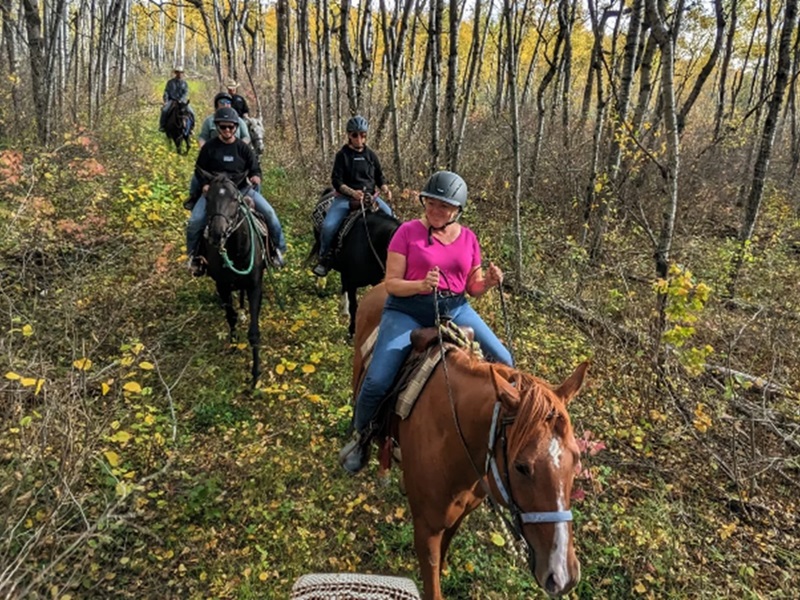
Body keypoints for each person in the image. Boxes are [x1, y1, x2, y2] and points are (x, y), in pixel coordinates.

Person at [339, 170, 514, 474]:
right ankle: (362, 435)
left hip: (455, 308)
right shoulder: (406, 232)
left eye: (443, 207)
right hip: (407, 309)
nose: (435, 211)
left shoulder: (469, 239)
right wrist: (420, 285)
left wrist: (489, 282)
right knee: (378, 379)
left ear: (457, 211)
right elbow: (392, 284)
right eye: (430, 203)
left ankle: (502, 432)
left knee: (505, 359)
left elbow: (471, 286)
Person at [186, 107, 287, 274]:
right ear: (217, 126)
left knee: (269, 214)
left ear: (236, 127)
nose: (227, 130)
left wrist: (255, 176)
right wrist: (204, 184)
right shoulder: (209, 148)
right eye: (223, 126)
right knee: (195, 222)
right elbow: (199, 169)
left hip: (241, 190)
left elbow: (255, 168)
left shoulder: (244, 148)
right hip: (216, 193)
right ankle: (194, 257)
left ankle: (277, 251)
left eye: (231, 127)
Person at [312, 115, 393, 277]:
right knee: (328, 226)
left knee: (391, 218)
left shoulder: (371, 155)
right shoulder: (342, 155)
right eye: (355, 135)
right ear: (349, 135)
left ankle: (390, 259)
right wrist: (352, 192)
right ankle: (324, 257)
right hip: (346, 199)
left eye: (362, 135)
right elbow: (336, 180)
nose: (359, 139)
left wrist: (384, 188)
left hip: (371, 198)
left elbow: (379, 176)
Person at [159, 65, 195, 131]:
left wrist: (181, 100)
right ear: (175, 73)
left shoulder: (184, 83)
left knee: (191, 111)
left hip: (182, 101)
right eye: (178, 72)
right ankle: (162, 126)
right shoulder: (170, 82)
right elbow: (166, 92)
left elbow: (185, 93)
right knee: (164, 110)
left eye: (181, 72)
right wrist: (166, 101)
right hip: (172, 100)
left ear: (183, 73)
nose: (180, 74)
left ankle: (191, 128)